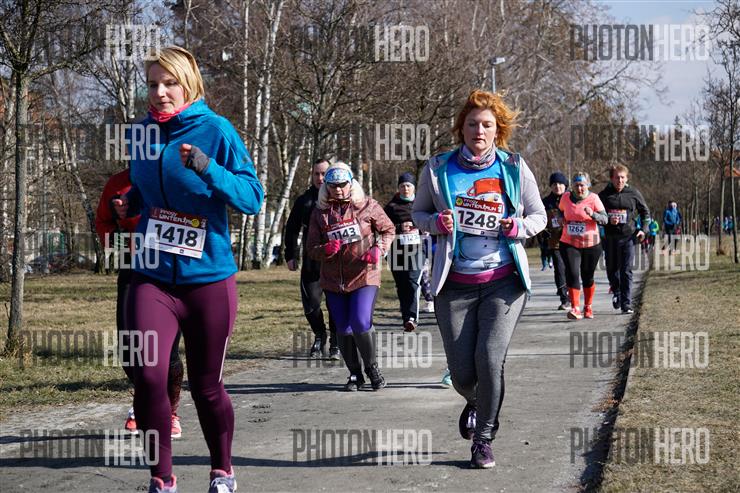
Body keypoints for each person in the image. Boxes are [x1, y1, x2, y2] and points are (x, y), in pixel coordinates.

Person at [113, 46, 264, 493]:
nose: (159, 93)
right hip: (152, 275)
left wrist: (207, 167)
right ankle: (162, 480)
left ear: (189, 84)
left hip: (208, 280)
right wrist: (131, 203)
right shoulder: (140, 133)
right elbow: (147, 188)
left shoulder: (216, 130)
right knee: (148, 377)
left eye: (169, 83)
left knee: (206, 385)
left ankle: (223, 471)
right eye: (152, 84)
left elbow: (252, 198)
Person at [412, 89, 546, 469]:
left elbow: (539, 216)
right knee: (461, 374)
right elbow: (417, 213)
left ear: (498, 129)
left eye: (487, 124)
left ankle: (483, 438)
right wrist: (435, 222)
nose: (479, 131)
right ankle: (476, 400)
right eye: (472, 124)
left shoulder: (513, 167)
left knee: (489, 359)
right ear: (462, 127)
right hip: (454, 284)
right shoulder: (438, 168)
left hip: (503, 282)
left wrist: (518, 227)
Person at [96, 169, 185, 439]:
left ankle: (169, 412)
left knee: (166, 350)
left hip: (169, 271)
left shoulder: (173, 176)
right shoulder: (117, 183)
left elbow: (192, 222)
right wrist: (125, 241)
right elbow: (103, 226)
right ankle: (145, 401)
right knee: (128, 347)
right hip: (132, 268)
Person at [306, 162, 395, 391]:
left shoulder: (367, 205)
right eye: (332, 185)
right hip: (333, 279)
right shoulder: (319, 212)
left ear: (351, 184)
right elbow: (311, 248)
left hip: (364, 274)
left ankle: (372, 369)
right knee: (343, 328)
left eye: (342, 185)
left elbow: (388, 229)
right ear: (326, 186)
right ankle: (355, 374)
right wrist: (324, 250)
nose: (338, 189)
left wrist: (379, 249)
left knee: (360, 321)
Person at [284, 159, 339, 359]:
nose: (320, 178)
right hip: (311, 260)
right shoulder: (304, 200)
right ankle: (320, 335)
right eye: (316, 173)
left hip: (336, 261)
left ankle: (336, 341)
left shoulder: (339, 198)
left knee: (335, 304)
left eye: (324, 173)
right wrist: (290, 254)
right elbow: (291, 228)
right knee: (311, 304)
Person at [598, 164, 650, 314]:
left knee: (626, 270)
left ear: (626, 178)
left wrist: (643, 230)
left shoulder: (633, 193)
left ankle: (626, 304)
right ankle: (617, 292)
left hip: (628, 237)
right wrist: (608, 220)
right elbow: (596, 215)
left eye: (622, 177)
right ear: (611, 179)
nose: (619, 181)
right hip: (610, 238)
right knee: (611, 269)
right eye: (616, 178)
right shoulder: (603, 195)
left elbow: (645, 213)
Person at [558, 172, 608, 320]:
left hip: (591, 244)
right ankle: (575, 308)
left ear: (588, 185)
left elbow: (605, 219)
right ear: (572, 186)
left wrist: (593, 214)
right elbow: (560, 211)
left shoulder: (594, 198)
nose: (579, 188)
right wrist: (560, 218)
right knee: (572, 273)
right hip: (569, 242)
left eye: (582, 185)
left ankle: (588, 306)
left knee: (587, 276)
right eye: (576, 185)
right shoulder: (565, 197)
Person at [384, 172, 424, 332]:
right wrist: (399, 227)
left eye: (408, 185)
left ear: (414, 187)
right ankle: (406, 317)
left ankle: (412, 317)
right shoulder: (391, 207)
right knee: (402, 285)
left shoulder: (422, 204)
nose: (405, 189)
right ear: (398, 188)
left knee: (412, 282)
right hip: (396, 251)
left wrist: (419, 227)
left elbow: (431, 221)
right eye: (402, 186)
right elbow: (382, 227)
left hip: (417, 250)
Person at [541, 172, 570, 310]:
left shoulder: (572, 199)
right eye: (554, 184)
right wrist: (544, 232)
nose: (557, 186)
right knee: (559, 268)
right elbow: (540, 221)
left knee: (572, 269)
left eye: (560, 184)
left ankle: (572, 294)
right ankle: (564, 299)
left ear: (565, 185)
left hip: (572, 241)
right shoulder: (545, 202)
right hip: (555, 241)